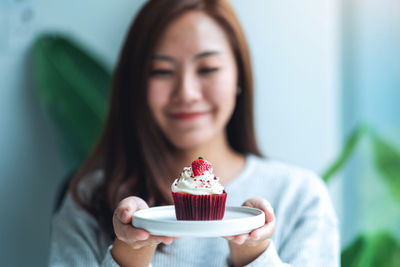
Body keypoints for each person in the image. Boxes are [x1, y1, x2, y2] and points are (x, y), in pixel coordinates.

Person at [49, 0, 339, 266]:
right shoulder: (88, 200)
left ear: (239, 75)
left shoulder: (298, 197)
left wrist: (253, 252)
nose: (186, 93)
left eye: (208, 68)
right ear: (135, 84)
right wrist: (131, 252)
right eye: (161, 71)